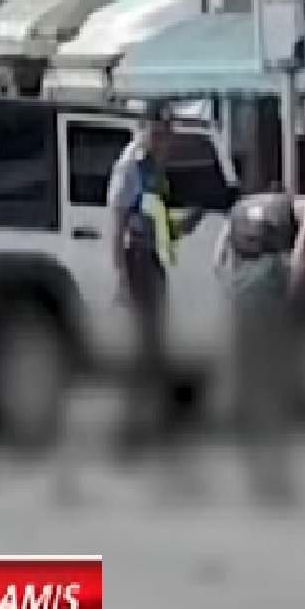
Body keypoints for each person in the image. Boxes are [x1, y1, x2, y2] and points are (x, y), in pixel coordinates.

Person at [105, 102, 200, 457]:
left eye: (168, 135)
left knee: (153, 342)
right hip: (137, 260)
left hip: (152, 257)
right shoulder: (131, 165)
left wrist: (181, 226)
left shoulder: (154, 167)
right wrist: (121, 277)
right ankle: (129, 431)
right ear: (146, 129)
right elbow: (117, 222)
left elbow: (154, 218)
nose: (166, 141)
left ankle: (148, 425)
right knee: (141, 345)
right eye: (161, 134)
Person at [218, 184, 301, 504]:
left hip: (241, 308)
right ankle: (274, 476)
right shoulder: (278, 258)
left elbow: (217, 263)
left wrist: (233, 290)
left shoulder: (236, 216)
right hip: (271, 318)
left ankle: (255, 476)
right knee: (273, 396)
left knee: (249, 393)